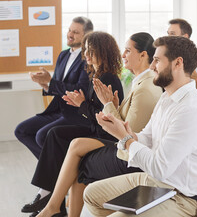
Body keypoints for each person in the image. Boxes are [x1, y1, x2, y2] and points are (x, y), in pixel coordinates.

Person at [83, 36, 197, 217]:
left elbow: (160, 167)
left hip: (180, 198)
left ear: (177, 63)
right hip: (155, 182)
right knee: (91, 194)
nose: (151, 66)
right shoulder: (167, 97)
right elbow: (148, 136)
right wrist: (124, 132)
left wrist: (125, 138)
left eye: (157, 60)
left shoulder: (192, 109)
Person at [34, 32, 163, 217]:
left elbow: (127, 134)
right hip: (115, 137)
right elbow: (123, 122)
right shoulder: (136, 82)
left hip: (122, 146)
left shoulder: (135, 84)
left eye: (128, 50)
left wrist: (104, 105)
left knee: (73, 147)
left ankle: (51, 203)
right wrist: (109, 106)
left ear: (143, 55)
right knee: (63, 139)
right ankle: (51, 201)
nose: (123, 54)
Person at [21, 31, 124, 217]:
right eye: (86, 51)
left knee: (55, 135)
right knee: (54, 134)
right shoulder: (97, 74)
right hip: (96, 129)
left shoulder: (107, 78)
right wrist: (81, 104)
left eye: (91, 51)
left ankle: (49, 197)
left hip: (104, 134)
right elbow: (95, 111)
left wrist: (82, 104)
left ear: (103, 52)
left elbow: (104, 117)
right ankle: (47, 193)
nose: (87, 56)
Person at [14, 17, 93, 159]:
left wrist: (50, 82)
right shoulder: (63, 55)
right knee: (21, 131)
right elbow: (56, 84)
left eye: (75, 32)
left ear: (86, 35)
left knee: (41, 136)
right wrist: (46, 85)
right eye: (69, 30)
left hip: (75, 113)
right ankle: (54, 169)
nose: (70, 34)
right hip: (57, 109)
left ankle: (57, 170)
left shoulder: (88, 58)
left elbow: (80, 89)